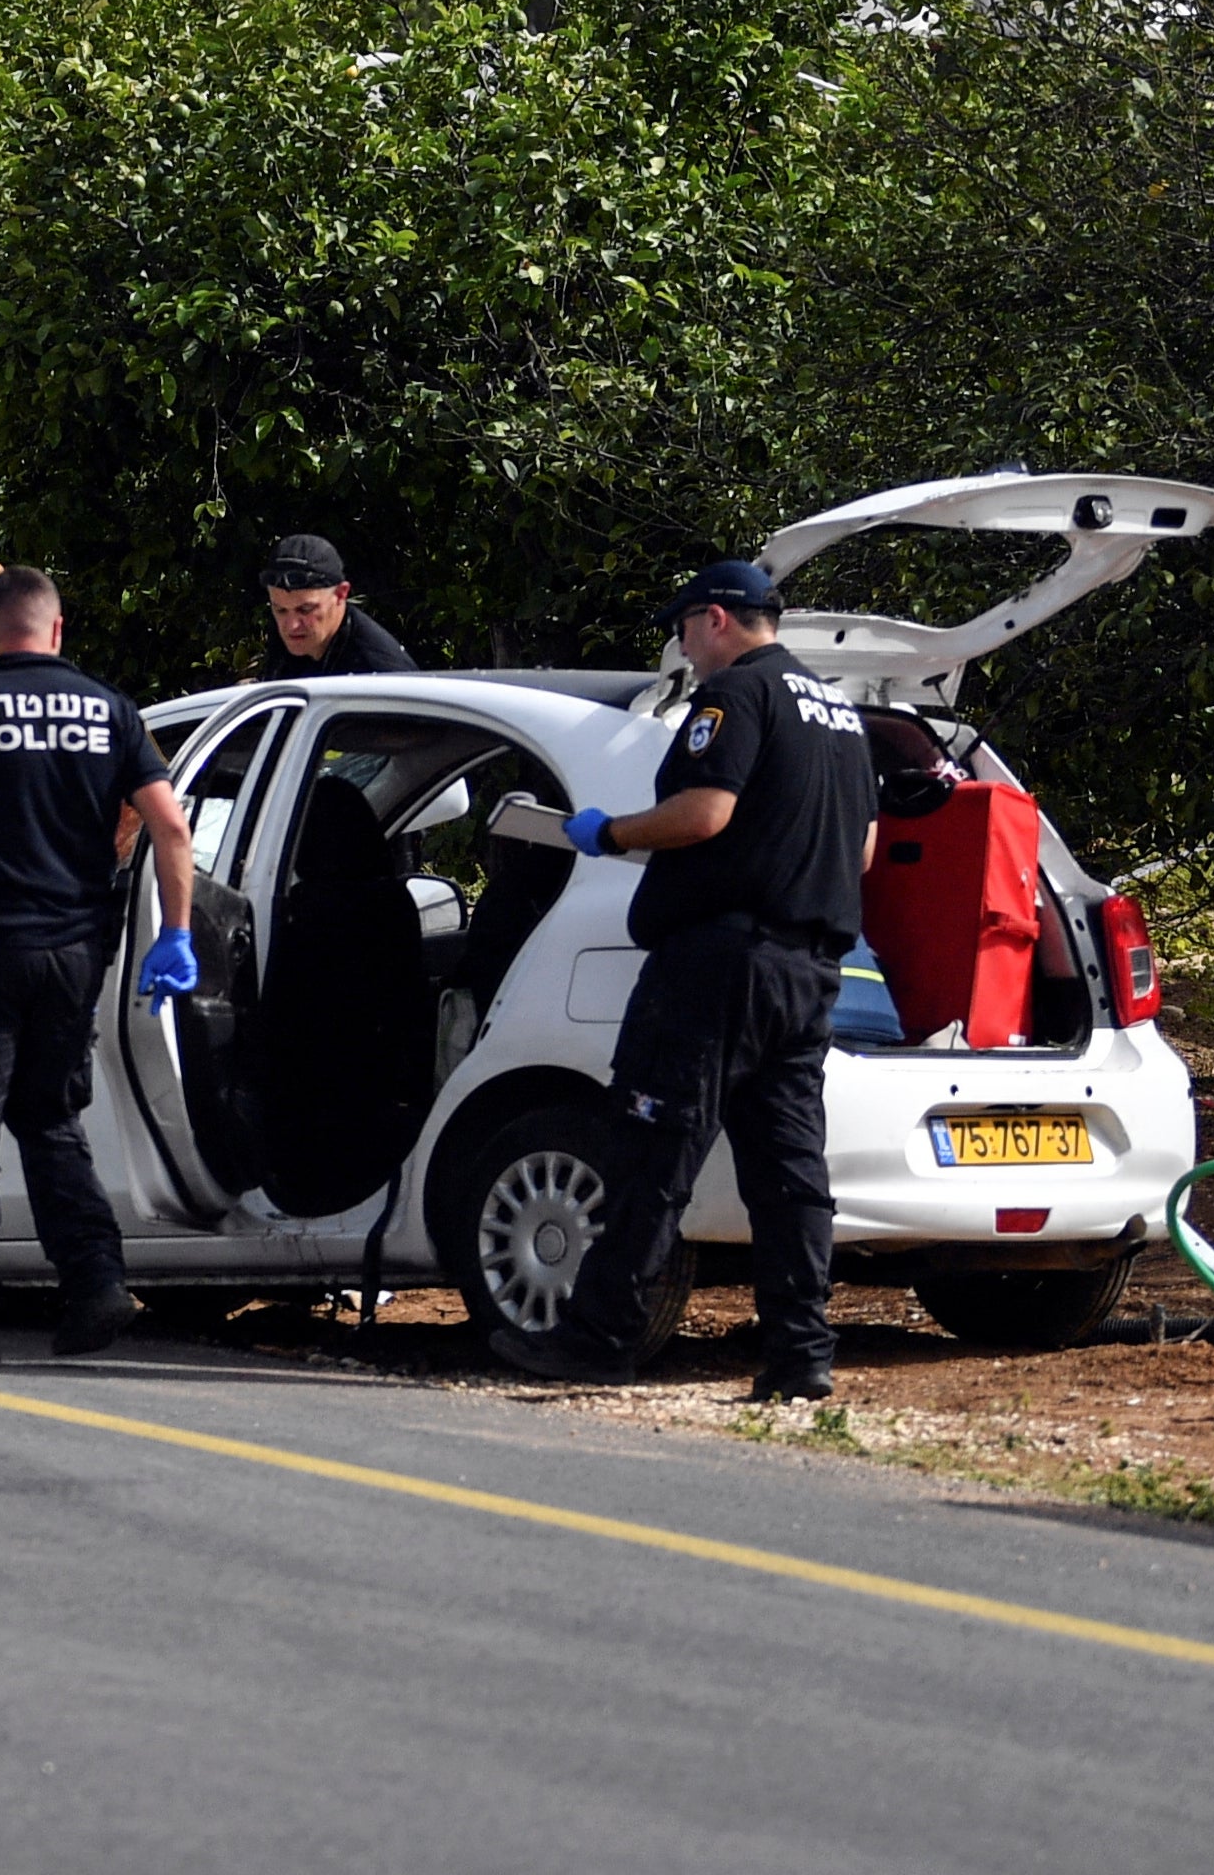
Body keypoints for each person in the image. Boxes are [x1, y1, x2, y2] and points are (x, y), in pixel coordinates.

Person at [503, 556, 878, 1402]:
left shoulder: (736, 697)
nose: (684, 646)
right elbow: (862, 851)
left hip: (718, 967)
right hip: (807, 971)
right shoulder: (844, 717)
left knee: (651, 1150)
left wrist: (611, 833)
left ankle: (598, 1339)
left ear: (715, 619)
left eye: (684, 628)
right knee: (789, 1174)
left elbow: (705, 813)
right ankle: (799, 1357)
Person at [0, 567, 195, 1369]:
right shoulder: (111, 710)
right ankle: (96, 1284)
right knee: (51, 1122)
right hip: (72, 954)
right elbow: (170, 827)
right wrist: (177, 932)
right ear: (58, 631)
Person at [257, 532, 413, 678]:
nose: (292, 626)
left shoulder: (377, 671)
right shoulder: (293, 637)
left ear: (341, 594)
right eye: (280, 610)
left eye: (305, 610)